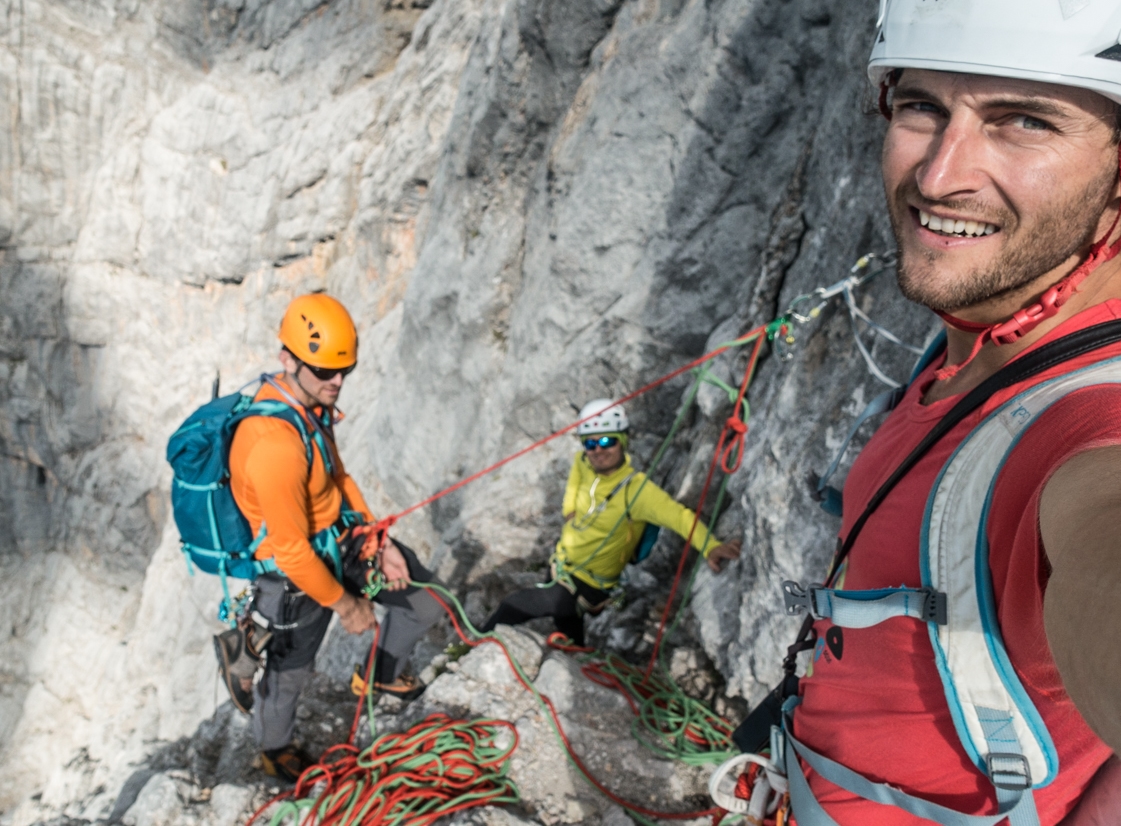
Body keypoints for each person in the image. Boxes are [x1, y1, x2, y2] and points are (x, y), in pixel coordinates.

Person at [765, 0, 1121, 824]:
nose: (939, 172)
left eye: (1024, 119)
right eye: (921, 105)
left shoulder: (1111, 423)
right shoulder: (972, 351)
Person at [229, 293, 444, 780]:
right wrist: (348, 606)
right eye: (325, 372)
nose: (337, 382)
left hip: (339, 539)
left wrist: (378, 541)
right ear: (288, 359)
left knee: (426, 601)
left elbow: (338, 477)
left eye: (344, 370)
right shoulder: (273, 445)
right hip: (291, 576)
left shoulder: (307, 406)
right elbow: (290, 550)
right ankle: (274, 747)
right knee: (289, 675)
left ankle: (379, 674)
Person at [482, 399, 742, 646]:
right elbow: (574, 482)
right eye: (591, 443)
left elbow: (679, 517)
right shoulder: (583, 462)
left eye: (607, 441)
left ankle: (470, 644)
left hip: (588, 585)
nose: (598, 450)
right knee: (568, 626)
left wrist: (710, 546)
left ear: (623, 441)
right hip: (560, 565)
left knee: (514, 605)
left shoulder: (638, 492)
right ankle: (578, 655)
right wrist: (569, 511)